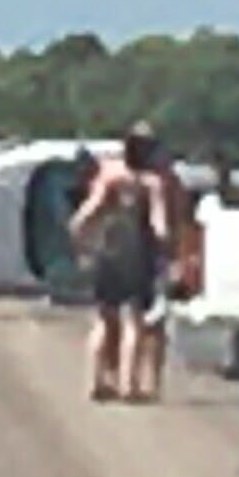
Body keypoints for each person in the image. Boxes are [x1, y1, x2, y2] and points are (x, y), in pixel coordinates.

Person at [67, 123, 190, 404]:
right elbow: (159, 226)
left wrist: (82, 246)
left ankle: (96, 381)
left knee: (103, 319)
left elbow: (84, 217)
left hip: (107, 254)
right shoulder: (153, 183)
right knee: (133, 321)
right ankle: (128, 384)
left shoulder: (109, 174)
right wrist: (169, 250)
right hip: (138, 257)